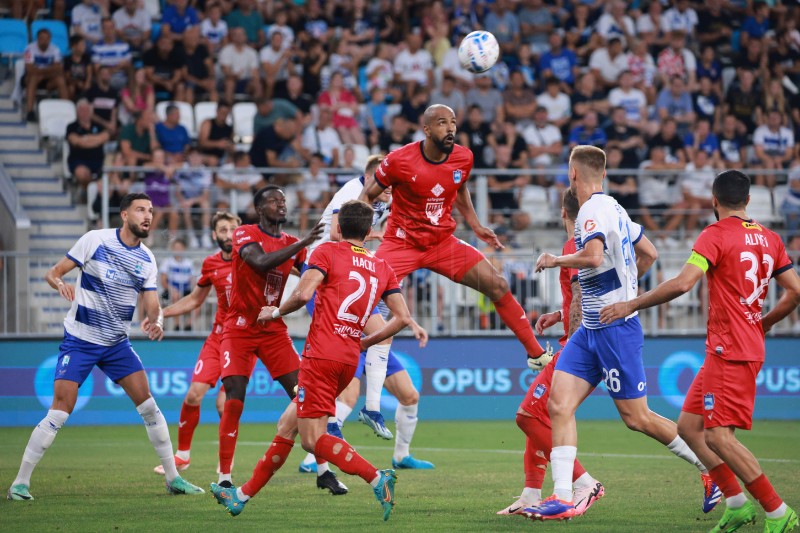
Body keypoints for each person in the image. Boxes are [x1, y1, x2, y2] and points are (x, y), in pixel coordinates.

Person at [599, 170, 800, 532]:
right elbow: (795, 291)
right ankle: (737, 503)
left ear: (713, 200)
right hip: (738, 345)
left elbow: (682, 284)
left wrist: (632, 304)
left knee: (719, 436)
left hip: (731, 349)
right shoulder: (770, 238)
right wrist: (765, 323)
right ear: (749, 201)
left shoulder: (715, 235)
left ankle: (777, 511)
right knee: (690, 427)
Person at [528, 146, 716, 520]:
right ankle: (564, 497)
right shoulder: (615, 208)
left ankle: (712, 468)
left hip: (616, 331)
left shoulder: (590, 212)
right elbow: (650, 252)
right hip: (590, 331)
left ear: (574, 174)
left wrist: (555, 259)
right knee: (558, 405)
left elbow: (594, 257)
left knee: (638, 419)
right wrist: (628, 289)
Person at [210, 200, 429, 520]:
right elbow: (401, 318)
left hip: (321, 356)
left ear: (339, 227)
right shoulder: (382, 266)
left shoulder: (326, 252)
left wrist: (275, 312)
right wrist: (365, 342)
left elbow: (301, 294)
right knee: (287, 425)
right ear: (369, 232)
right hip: (347, 357)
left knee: (312, 440)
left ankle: (377, 478)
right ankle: (239, 496)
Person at [6, 193, 204, 501]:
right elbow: (53, 272)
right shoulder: (95, 240)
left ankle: (173, 478)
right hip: (81, 341)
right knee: (59, 411)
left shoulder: (147, 259)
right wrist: (59, 284)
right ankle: (20, 483)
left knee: (149, 405)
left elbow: (151, 304)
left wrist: (158, 321)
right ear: (124, 215)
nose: (147, 215)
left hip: (116, 344)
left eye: (150, 211)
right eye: (140, 210)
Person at [360, 105, 553, 389]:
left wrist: (475, 225)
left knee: (497, 285)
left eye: (452, 123)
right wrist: (362, 230)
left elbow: (459, 187)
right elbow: (368, 193)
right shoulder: (399, 160)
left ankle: (536, 355)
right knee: (363, 292)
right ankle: (338, 350)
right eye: (441, 123)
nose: (450, 129)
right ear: (426, 129)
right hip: (402, 243)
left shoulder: (464, 157)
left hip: (442, 243)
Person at [297, 155, 435, 474]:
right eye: (385, 183)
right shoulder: (351, 193)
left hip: (350, 284)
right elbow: (335, 232)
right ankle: (358, 418)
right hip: (324, 274)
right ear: (371, 177)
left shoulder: (384, 200)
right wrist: (373, 237)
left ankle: (400, 455)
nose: (390, 189)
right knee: (348, 387)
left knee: (408, 393)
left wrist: (409, 321)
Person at [214, 187, 348, 495]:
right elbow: (259, 262)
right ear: (260, 207)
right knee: (234, 395)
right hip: (239, 327)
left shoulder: (292, 244)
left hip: (273, 328)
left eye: (284, 200)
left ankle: (323, 471)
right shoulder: (245, 234)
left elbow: (313, 277)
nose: (281, 204)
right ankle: (224, 476)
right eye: (274, 200)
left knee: (305, 395)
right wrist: (303, 243)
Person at [497, 189, 604, 516]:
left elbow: (581, 290)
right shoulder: (596, 242)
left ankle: (584, 482)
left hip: (577, 346)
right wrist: (560, 314)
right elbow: (588, 294)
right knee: (541, 415)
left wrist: (572, 344)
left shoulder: (575, 245)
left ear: (563, 214)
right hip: (589, 339)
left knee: (528, 416)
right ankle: (531, 494)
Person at [146, 212, 241, 475]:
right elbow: (195, 299)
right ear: (214, 235)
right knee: (193, 394)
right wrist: (162, 314)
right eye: (223, 229)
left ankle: (226, 462)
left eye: (233, 229)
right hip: (218, 337)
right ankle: (183, 456)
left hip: (244, 341)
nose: (229, 234)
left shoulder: (252, 259)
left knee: (224, 404)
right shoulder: (211, 264)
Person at [24, 28, 68, 122]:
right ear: (37, 39)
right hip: (32, 78)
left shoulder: (55, 49)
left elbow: (58, 69)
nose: (43, 41)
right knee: (33, 78)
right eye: (41, 38)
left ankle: (66, 110)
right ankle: (30, 112)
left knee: (60, 79)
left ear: (50, 39)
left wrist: (42, 73)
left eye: (46, 39)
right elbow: (30, 69)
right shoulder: (29, 48)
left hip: (47, 79)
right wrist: (49, 70)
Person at [66, 99, 110, 188]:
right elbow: (76, 141)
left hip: (98, 161)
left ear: (91, 112)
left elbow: (105, 137)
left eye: (86, 110)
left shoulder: (98, 126)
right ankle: (90, 192)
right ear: (77, 112)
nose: (84, 113)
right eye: (81, 110)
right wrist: (96, 141)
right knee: (81, 173)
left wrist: (85, 139)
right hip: (78, 161)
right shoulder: (72, 127)